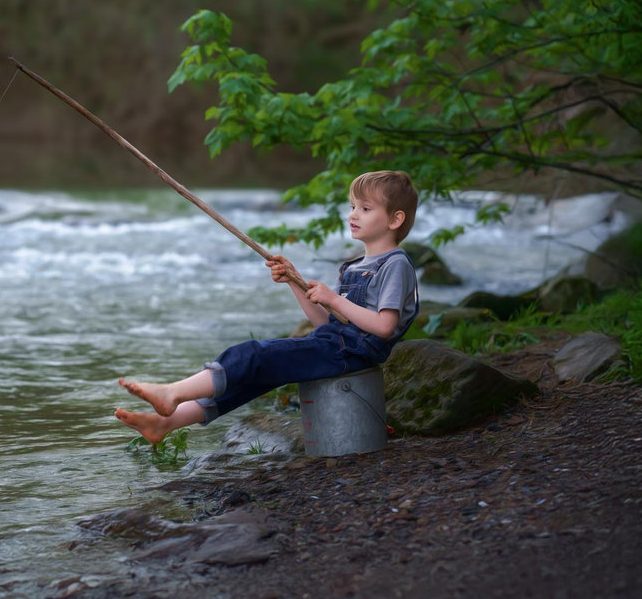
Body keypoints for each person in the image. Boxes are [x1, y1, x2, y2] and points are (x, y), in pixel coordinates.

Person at [115, 170, 420, 444]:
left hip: (354, 353)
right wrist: (294, 282)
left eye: (365, 209)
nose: (354, 214)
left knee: (253, 355)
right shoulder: (353, 265)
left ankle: (173, 392)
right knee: (254, 375)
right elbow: (327, 325)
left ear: (395, 219)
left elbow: (383, 327)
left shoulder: (395, 264)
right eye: (353, 206)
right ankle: (166, 423)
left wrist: (333, 298)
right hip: (335, 345)